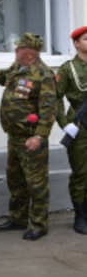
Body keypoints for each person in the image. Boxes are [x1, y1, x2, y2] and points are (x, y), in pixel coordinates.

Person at [0, 33, 56, 241]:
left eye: (18, 49)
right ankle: (18, 218)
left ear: (30, 54)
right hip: (14, 136)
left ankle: (39, 224)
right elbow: (3, 78)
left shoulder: (44, 75)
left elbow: (49, 110)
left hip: (31, 139)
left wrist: (39, 136)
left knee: (36, 182)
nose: (15, 52)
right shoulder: (17, 68)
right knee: (16, 179)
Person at [55, 26, 87, 234]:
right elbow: (55, 97)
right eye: (85, 39)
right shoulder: (68, 69)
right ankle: (81, 215)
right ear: (76, 43)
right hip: (80, 125)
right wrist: (65, 123)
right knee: (81, 173)